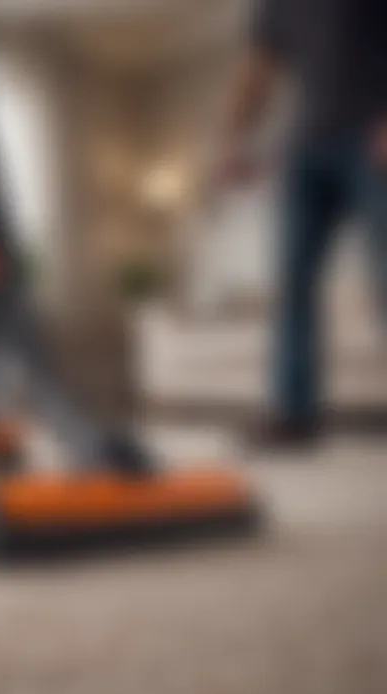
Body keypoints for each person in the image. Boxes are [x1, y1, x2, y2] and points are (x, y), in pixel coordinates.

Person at [219, 0, 387, 447]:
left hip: (370, 136)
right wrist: (235, 140)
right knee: (292, 281)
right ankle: (295, 416)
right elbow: (257, 70)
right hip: (306, 145)